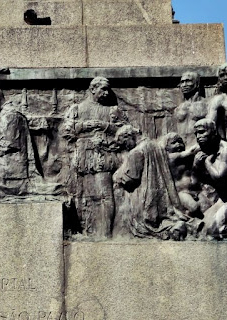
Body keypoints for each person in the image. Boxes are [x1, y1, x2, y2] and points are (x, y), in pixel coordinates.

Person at [60, 77, 129, 238]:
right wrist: (83, 125)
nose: (106, 93)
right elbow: (66, 131)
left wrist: (104, 126)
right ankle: (84, 230)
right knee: (81, 194)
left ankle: (105, 233)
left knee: (105, 194)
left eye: (107, 90)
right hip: (82, 155)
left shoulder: (112, 110)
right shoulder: (76, 109)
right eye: (103, 89)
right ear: (92, 89)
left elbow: (126, 130)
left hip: (102, 154)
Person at [113, 127, 190, 240]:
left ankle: (172, 229)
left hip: (145, 199)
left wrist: (118, 177)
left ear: (128, 136)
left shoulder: (136, 152)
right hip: (162, 197)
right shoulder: (157, 146)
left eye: (125, 143)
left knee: (140, 227)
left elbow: (131, 179)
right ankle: (176, 226)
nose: (127, 147)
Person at [0, 87, 30, 199]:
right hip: (1, 172)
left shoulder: (11, 115)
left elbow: (7, 144)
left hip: (10, 177)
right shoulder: (2, 116)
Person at [173, 71, 207, 148]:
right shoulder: (178, 108)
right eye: (182, 82)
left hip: (200, 148)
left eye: (188, 81)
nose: (184, 85)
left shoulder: (206, 104)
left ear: (197, 84)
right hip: (181, 148)